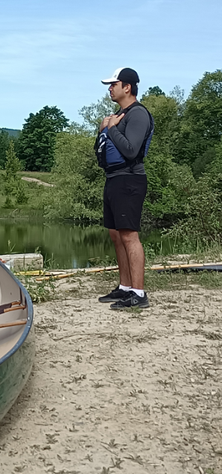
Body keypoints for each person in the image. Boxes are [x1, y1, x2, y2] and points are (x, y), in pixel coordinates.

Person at [96, 67, 154, 310]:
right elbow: (105, 150)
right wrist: (103, 129)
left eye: (113, 84)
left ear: (127, 87)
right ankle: (125, 287)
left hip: (130, 179)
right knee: (115, 233)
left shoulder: (138, 114)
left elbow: (130, 150)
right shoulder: (119, 115)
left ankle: (139, 294)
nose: (110, 88)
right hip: (114, 179)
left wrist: (111, 129)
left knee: (129, 235)